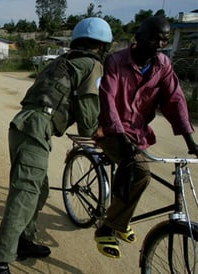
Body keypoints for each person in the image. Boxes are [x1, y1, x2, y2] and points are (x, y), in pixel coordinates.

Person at [0, 17, 113, 274]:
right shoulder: (91, 66)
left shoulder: (62, 61)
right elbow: (88, 115)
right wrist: (97, 133)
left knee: (39, 190)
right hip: (35, 129)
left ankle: (24, 240)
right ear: (101, 46)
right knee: (24, 195)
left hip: (24, 126)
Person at [94, 16, 198, 259]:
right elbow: (107, 101)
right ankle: (107, 227)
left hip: (137, 133)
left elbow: (175, 101)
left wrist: (190, 141)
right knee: (140, 172)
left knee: (137, 171)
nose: (159, 43)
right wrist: (120, 137)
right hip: (110, 130)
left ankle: (120, 218)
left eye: (164, 38)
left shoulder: (163, 65)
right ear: (138, 37)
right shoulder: (116, 61)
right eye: (154, 37)